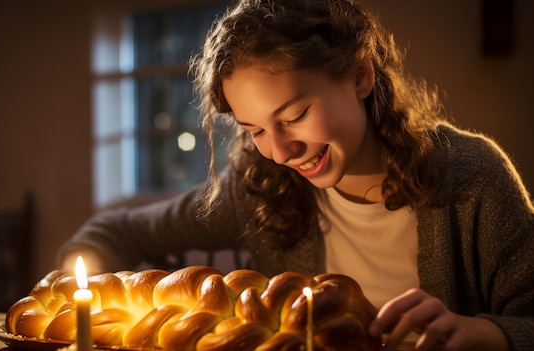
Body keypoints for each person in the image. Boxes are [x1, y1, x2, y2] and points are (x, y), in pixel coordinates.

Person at [55, 0, 534, 350]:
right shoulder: (261, 183)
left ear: (361, 75)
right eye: (255, 129)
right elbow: (118, 230)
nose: (281, 151)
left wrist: (482, 334)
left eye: (296, 114)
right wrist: (80, 292)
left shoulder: (474, 178)